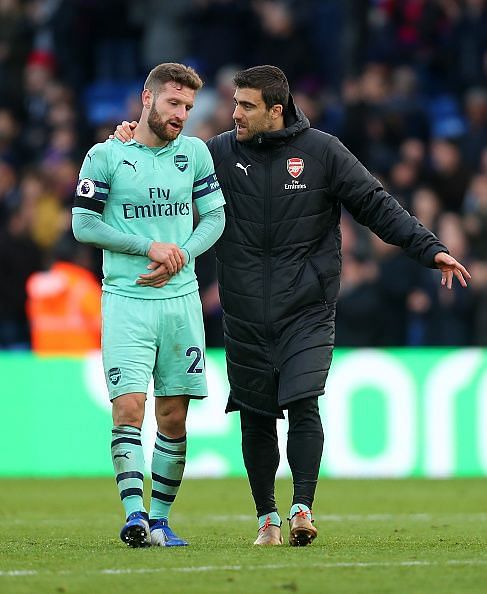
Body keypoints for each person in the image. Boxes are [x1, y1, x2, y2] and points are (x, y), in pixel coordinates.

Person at [114, 65, 470, 547]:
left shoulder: (322, 152)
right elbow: (160, 165)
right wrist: (130, 137)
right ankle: (268, 518)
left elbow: (375, 203)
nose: (233, 113)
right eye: (233, 103)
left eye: (245, 105)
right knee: (255, 414)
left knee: (304, 400)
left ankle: (302, 506)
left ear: (275, 110)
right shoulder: (215, 153)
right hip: (243, 309)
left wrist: (429, 248)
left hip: (307, 305)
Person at [73, 63, 226, 548]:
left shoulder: (195, 154)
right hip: (126, 300)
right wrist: (148, 247)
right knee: (128, 407)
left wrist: (182, 253)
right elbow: (83, 225)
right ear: (147, 97)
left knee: (173, 415)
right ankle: (134, 514)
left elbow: (216, 218)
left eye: (188, 106)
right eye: (173, 103)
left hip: (180, 303)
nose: (181, 114)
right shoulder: (105, 156)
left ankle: (160, 519)